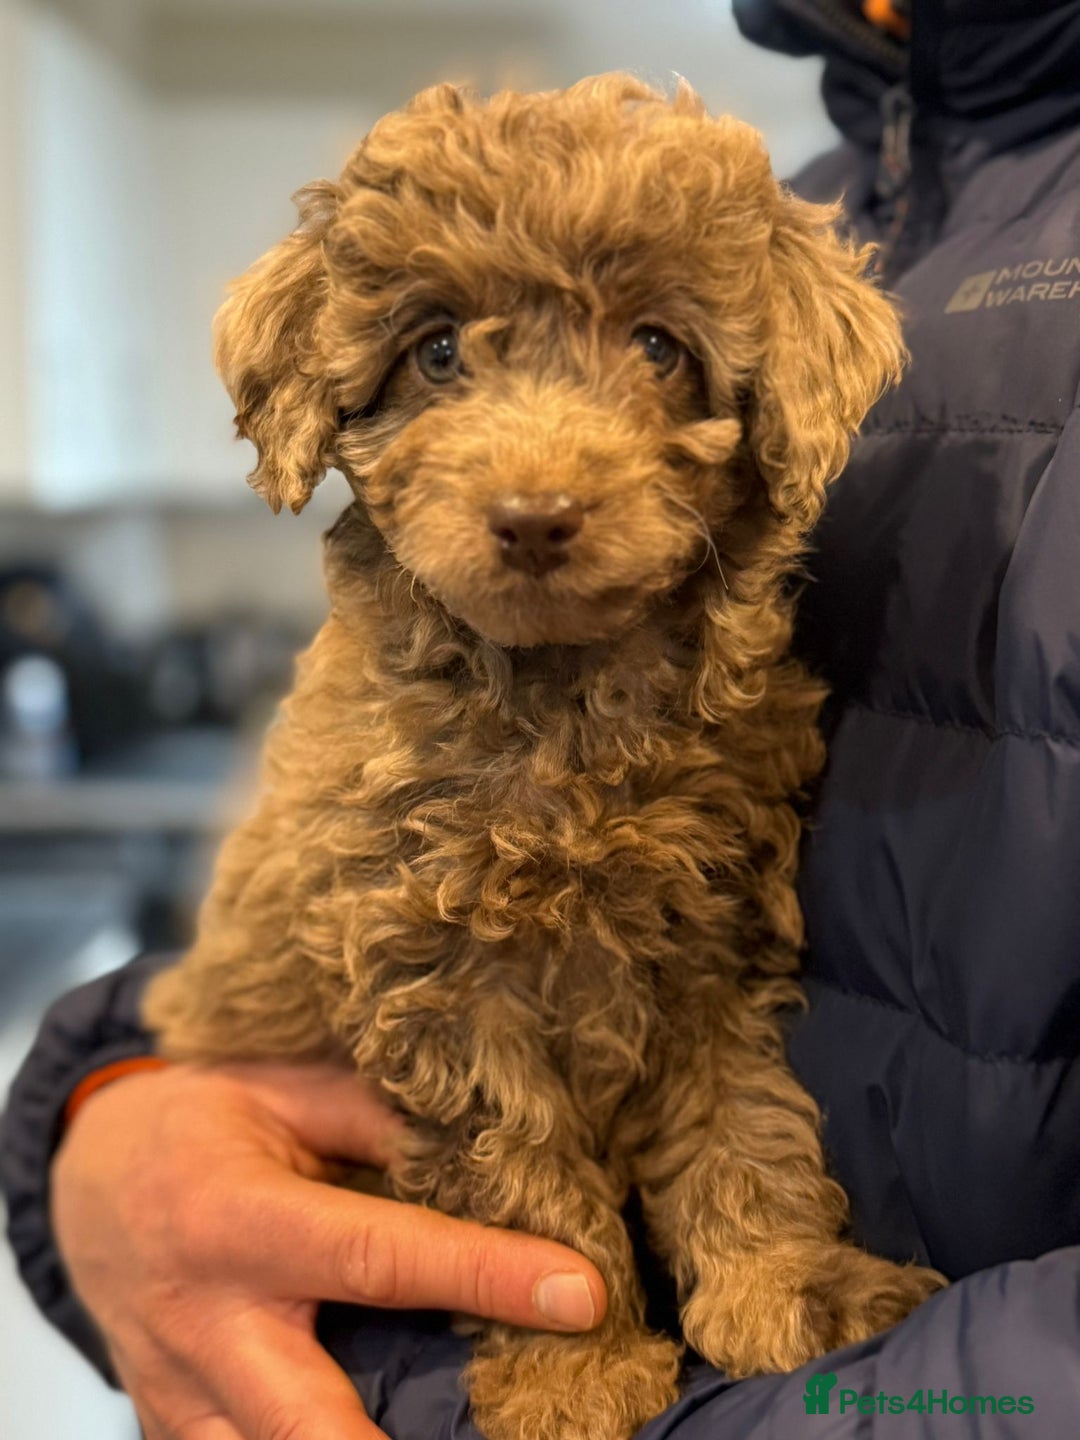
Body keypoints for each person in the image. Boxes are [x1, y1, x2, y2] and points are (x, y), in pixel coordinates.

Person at [5, 0, 1080, 1435]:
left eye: (652, 346)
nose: (536, 479)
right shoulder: (823, 190)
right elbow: (393, 1013)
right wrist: (100, 1095)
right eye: (441, 354)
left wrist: (753, 1276)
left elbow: (704, 1000)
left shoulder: (765, 264)